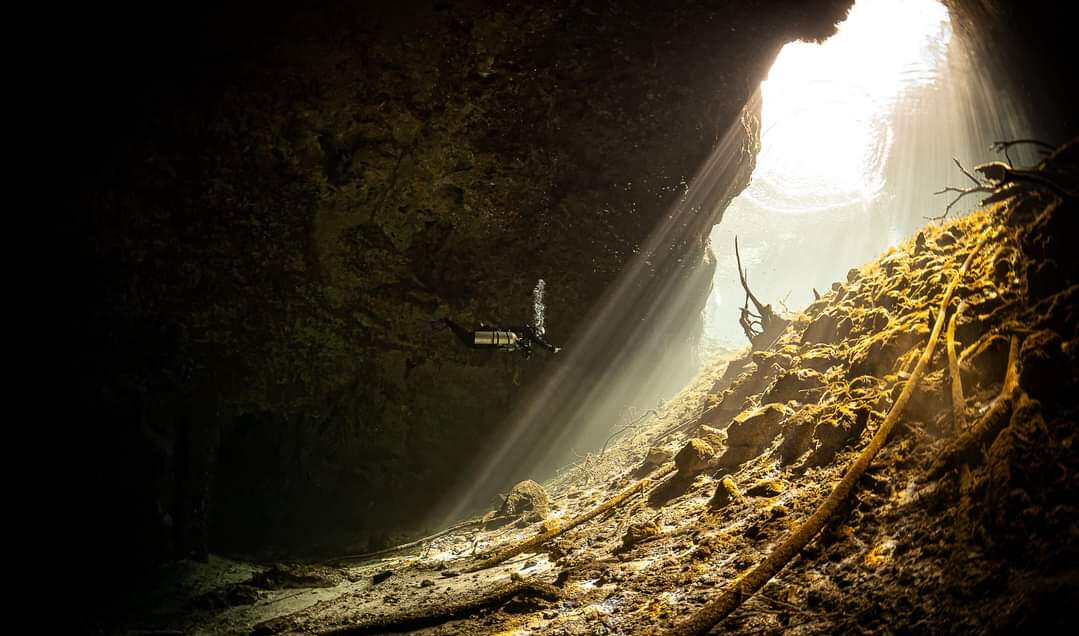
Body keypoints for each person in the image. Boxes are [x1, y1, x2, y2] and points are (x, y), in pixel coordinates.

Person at [442, 318, 560, 358]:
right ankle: (447, 322)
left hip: (494, 338)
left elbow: (524, 350)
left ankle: (448, 323)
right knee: (469, 341)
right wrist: (550, 348)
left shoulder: (525, 337)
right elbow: (539, 342)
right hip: (494, 337)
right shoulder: (528, 332)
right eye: (538, 334)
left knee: (469, 341)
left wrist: (526, 351)